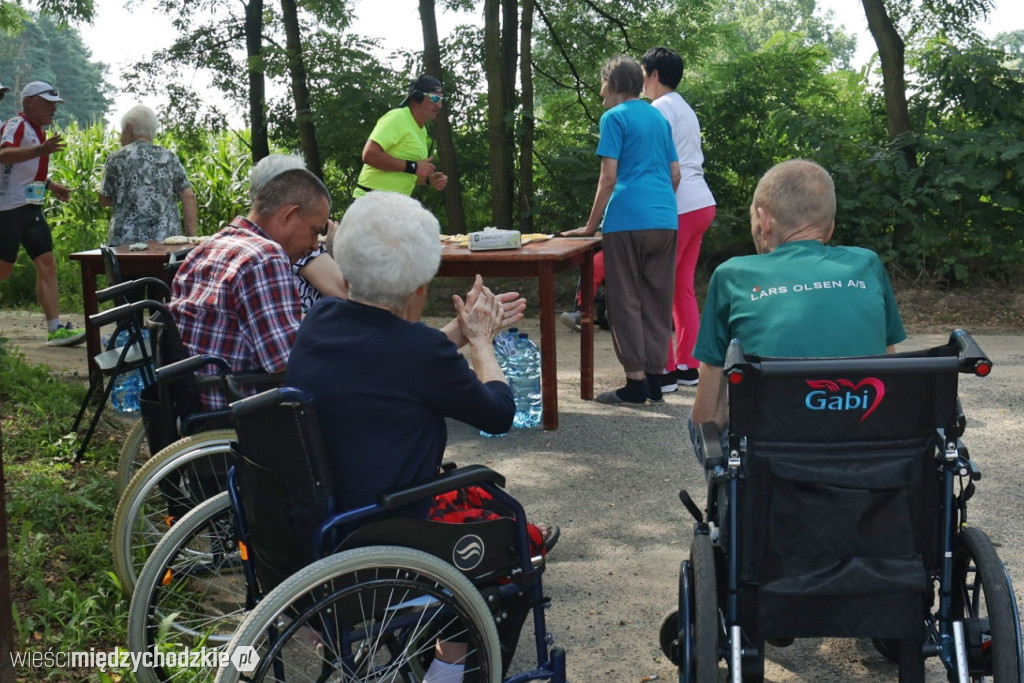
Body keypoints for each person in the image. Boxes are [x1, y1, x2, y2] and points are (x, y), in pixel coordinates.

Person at [284, 191, 556, 683]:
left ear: (345, 274)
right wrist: (479, 341)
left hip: (318, 527)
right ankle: (449, 671)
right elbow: (497, 413)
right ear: (420, 289)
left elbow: (402, 357)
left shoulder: (320, 320)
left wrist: (462, 329)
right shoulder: (417, 352)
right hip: (385, 531)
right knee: (516, 541)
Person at [689, 159, 906, 447]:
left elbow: (707, 409)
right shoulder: (867, 264)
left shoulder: (733, 275)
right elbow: (887, 367)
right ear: (830, 227)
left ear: (764, 220)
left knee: (697, 427)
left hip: (771, 457)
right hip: (863, 450)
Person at [561, 54, 680, 406]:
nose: (600, 93)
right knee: (658, 300)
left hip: (627, 219)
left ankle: (635, 384)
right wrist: (658, 204)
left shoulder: (613, 117)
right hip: (665, 219)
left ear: (613, 85)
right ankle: (657, 381)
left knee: (625, 301)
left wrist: (589, 225)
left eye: (602, 84)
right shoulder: (658, 118)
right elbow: (675, 174)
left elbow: (608, 177)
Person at [169, 168, 331, 410]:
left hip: (198, 403)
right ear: (289, 215)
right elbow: (284, 361)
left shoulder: (205, 248)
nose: (312, 245)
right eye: (314, 231)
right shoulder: (265, 256)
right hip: (243, 411)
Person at [641, 47, 717, 393]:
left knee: (658, 286)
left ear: (654, 75)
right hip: (701, 202)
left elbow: (657, 164)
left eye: (643, 73)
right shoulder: (685, 108)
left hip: (678, 205)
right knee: (681, 287)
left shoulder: (658, 109)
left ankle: (665, 372)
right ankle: (688, 366)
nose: (642, 81)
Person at [0, 81, 84, 346]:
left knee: (47, 263)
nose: (54, 110)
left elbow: (26, 172)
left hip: (31, 208)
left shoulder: (37, 132)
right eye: (48, 104)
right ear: (30, 103)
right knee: (3, 268)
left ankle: (55, 329)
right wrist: (39, 150)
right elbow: (4, 155)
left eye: (55, 105)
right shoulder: (18, 124)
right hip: (8, 208)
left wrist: (51, 185)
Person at [247, 154, 345, 312]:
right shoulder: (295, 245)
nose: (313, 245)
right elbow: (349, 293)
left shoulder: (243, 240)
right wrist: (341, 254)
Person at [98, 105, 198, 245]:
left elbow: (103, 200)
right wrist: (190, 238)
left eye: (122, 131)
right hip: (166, 243)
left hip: (125, 244)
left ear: (129, 128)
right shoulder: (168, 157)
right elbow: (188, 197)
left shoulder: (116, 158)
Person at [353, 74, 448, 198]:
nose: (439, 105)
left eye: (441, 100)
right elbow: (369, 154)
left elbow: (406, 173)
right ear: (417, 97)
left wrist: (428, 179)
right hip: (372, 201)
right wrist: (414, 167)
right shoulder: (397, 117)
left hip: (395, 205)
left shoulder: (422, 130)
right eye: (435, 99)